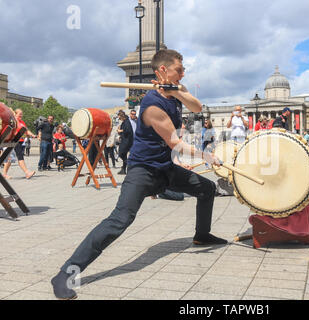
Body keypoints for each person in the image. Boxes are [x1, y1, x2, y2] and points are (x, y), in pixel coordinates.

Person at [51, 49, 226, 300]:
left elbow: (197, 106)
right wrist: (205, 156)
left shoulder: (177, 88)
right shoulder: (152, 105)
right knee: (119, 220)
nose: (183, 73)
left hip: (164, 168)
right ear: (162, 71)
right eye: (179, 69)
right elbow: (175, 142)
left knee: (207, 189)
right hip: (143, 171)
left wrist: (178, 89)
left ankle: (201, 235)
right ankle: (64, 274)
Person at [2, 109, 37, 179]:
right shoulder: (13, 121)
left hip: (20, 141)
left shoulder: (22, 122)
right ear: (15, 114)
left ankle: (4, 174)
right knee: (20, 157)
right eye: (20, 114)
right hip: (14, 141)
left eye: (22, 114)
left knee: (10, 159)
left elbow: (26, 130)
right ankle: (27, 172)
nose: (21, 115)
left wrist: (33, 135)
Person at [117, 110, 133, 175]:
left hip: (126, 141)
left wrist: (120, 130)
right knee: (123, 154)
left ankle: (127, 165)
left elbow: (128, 130)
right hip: (124, 140)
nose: (119, 118)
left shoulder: (127, 122)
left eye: (119, 117)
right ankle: (123, 169)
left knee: (121, 153)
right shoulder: (124, 122)